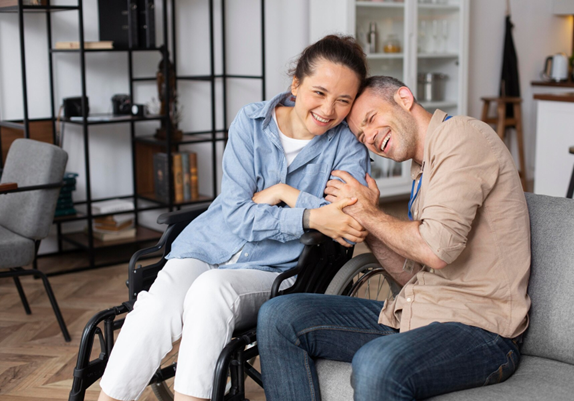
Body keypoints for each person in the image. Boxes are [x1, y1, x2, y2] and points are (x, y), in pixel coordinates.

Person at [98, 35, 371, 401]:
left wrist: (283, 194)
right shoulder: (251, 121)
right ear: (295, 84)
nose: (328, 109)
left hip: (273, 269)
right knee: (155, 307)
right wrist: (311, 214)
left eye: (343, 100)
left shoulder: (347, 144)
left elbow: (346, 221)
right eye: (319, 92)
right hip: (206, 245)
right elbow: (238, 215)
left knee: (211, 292)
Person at [257, 75, 531, 401]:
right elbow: (412, 274)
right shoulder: (423, 169)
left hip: (482, 331)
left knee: (376, 362)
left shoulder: (462, 137)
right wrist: (367, 225)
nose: (370, 137)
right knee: (279, 317)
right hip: (417, 314)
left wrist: (369, 213)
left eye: (372, 119)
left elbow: (435, 249)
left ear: (404, 98)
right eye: (361, 136)